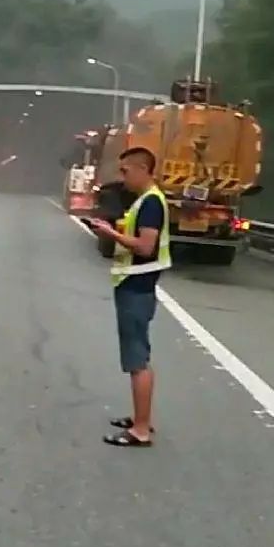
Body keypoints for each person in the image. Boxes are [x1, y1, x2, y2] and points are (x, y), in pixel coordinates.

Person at [90, 146, 171, 448]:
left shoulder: (151, 203)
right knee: (137, 356)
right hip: (135, 284)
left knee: (137, 359)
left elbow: (145, 247)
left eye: (125, 171)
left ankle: (140, 430)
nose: (122, 177)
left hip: (137, 287)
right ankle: (141, 418)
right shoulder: (146, 201)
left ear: (142, 169)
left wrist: (111, 234)